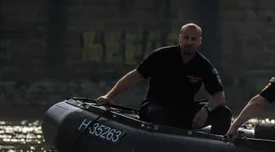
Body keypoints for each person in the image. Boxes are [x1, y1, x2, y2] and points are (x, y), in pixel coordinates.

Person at [95, 23, 232, 135]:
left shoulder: (204, 65)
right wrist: (109, 96)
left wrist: (206, 110)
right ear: (180, 38)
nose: (189, 42)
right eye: (186, 38)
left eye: (193, 39)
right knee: (160, 115)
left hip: (184, 109)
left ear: (199, 41)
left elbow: (219, 95)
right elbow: (134, 77)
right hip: (155, 105)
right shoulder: (161, 56)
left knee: (224, 113)